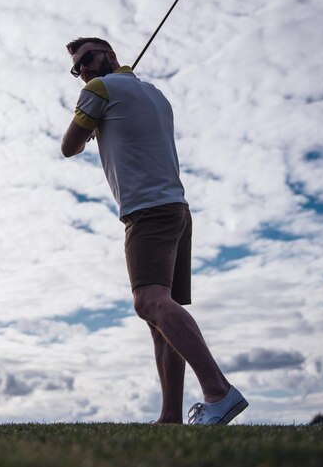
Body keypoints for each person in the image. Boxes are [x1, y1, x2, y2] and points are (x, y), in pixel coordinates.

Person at [60, 37, 247, 425]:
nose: (83, 70)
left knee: (148, 302)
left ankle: (218, 391)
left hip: (147, 212)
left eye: (87, 58)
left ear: (110, 55)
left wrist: (91, 125)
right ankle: (170, 415)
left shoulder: (99, 91)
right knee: (161, 316)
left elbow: (69, 146)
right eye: (77, 68)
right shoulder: (155, 94)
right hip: (177, 210)